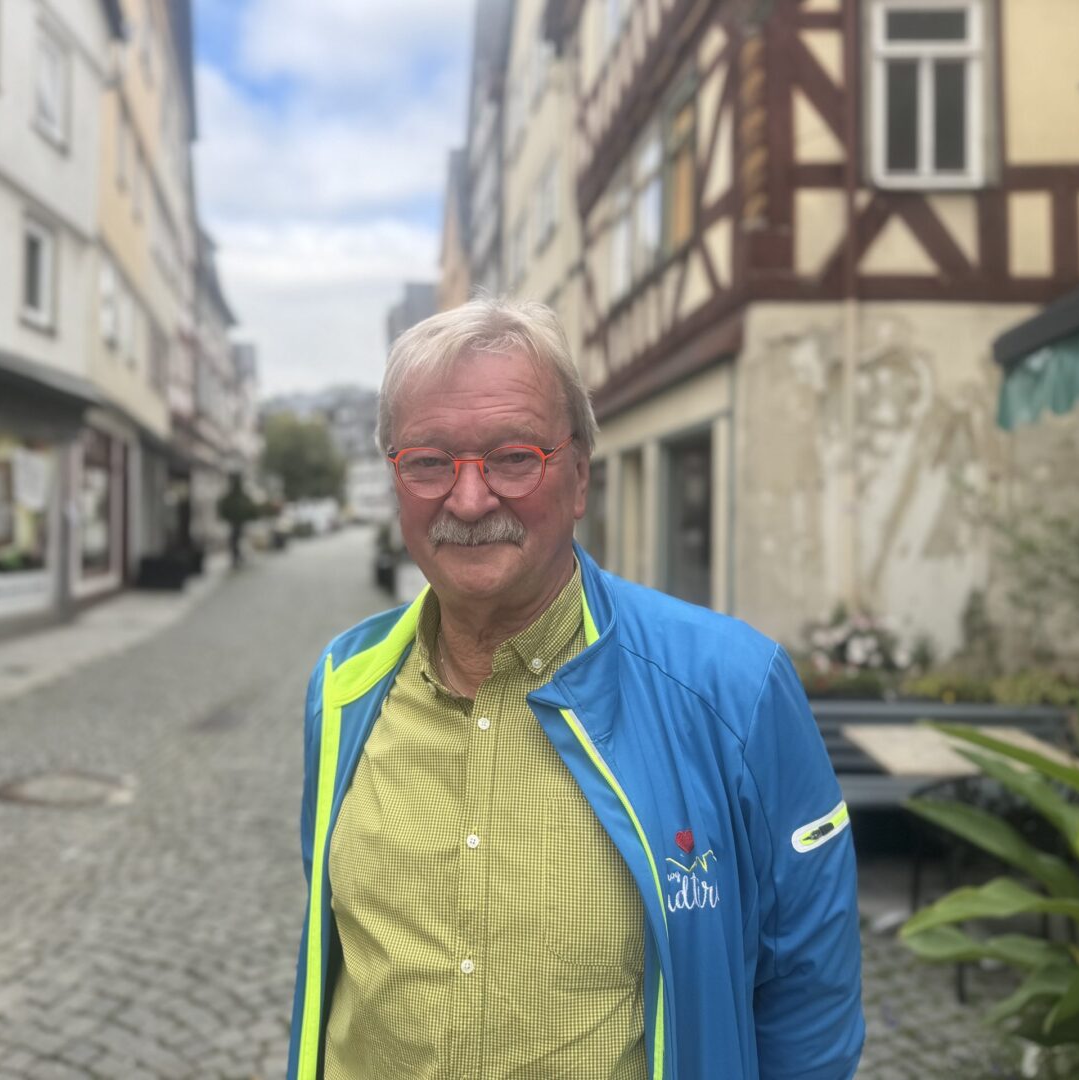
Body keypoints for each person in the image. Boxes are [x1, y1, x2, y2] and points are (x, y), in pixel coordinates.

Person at [287, 298, 864, 1079]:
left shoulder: (736, 691)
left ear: (581, 475)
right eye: (428, 461)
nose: (468, 499)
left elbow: (809, 1001)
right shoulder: (345, 686)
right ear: (396, 480)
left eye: (514, 457)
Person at [216, 473, 255, 569]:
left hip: (237, 524)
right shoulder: (237, 497)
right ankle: (237, 558)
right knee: (235, 541)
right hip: (235, 524)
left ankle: (238, 557)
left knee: (236, 541)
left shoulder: (238, 497)